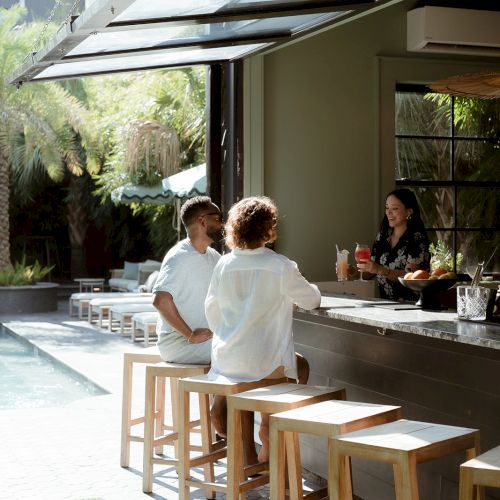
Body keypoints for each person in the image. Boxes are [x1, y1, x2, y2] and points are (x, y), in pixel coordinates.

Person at [205, 196, 321, 463]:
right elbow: (312, 300)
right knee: (297, 367)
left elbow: (211, 311)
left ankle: (246, 457)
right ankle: (270, 424)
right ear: (268, 230)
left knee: (244, 384)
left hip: (228, 361)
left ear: (235, 230)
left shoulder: (223, 264)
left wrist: (231, 333)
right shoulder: (280, 266)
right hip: (266, 366)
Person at [152, 196, 223, 364]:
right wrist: (190, 335)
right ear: (202, 221)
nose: (222, 224)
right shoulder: (179, 257)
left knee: (248, 346)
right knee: (236, 352)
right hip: (179, 344)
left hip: (207, 340)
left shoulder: (214, 257)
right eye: (218, 218)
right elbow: (160, 300)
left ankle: (217, 391)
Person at [357, 188, 430, 301]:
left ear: (408, 211)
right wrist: (352, 271)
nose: (388, 212)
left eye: (394, 208)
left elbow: (411, 277)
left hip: (411, 307)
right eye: (387, 208)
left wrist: (381, 270)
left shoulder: (417, 239)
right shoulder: (382, 237)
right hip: (386, 307)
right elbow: (370, 272)